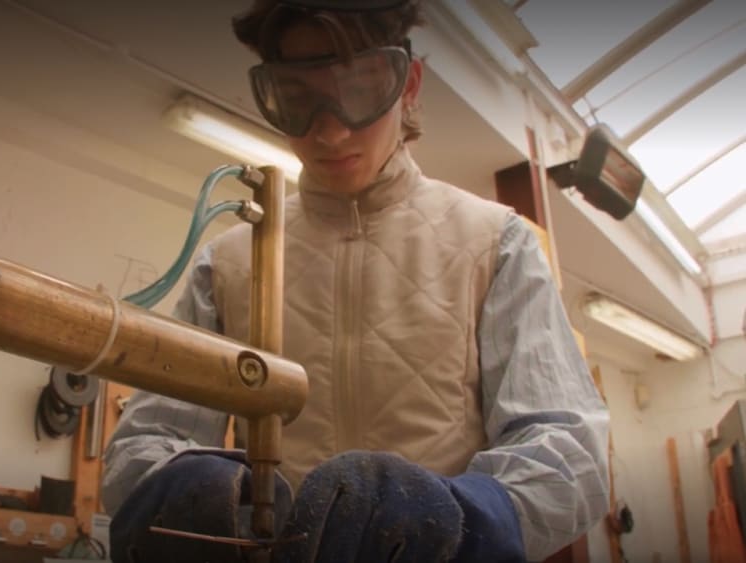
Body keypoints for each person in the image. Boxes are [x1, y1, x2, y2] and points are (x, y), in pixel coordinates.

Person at [101, 0, 610, 561]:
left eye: (359, 92)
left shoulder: (497, 241)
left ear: (408, 83)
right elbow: (140, 445)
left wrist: (462, 516)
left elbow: (569, 456)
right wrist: (171, 484)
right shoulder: (226, 262)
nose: (331, 130)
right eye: (297, 101)